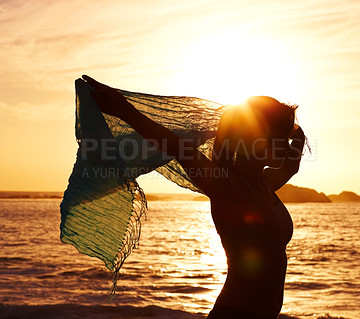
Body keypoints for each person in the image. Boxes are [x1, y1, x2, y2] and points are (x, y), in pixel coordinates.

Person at [82, 75, 305, 319]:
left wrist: (294, 130)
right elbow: (178, 147)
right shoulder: (226, 185)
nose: (286, 144)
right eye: (280, 138)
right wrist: (124, 110)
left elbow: (291, 166)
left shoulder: (263, 184)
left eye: (286, 138)